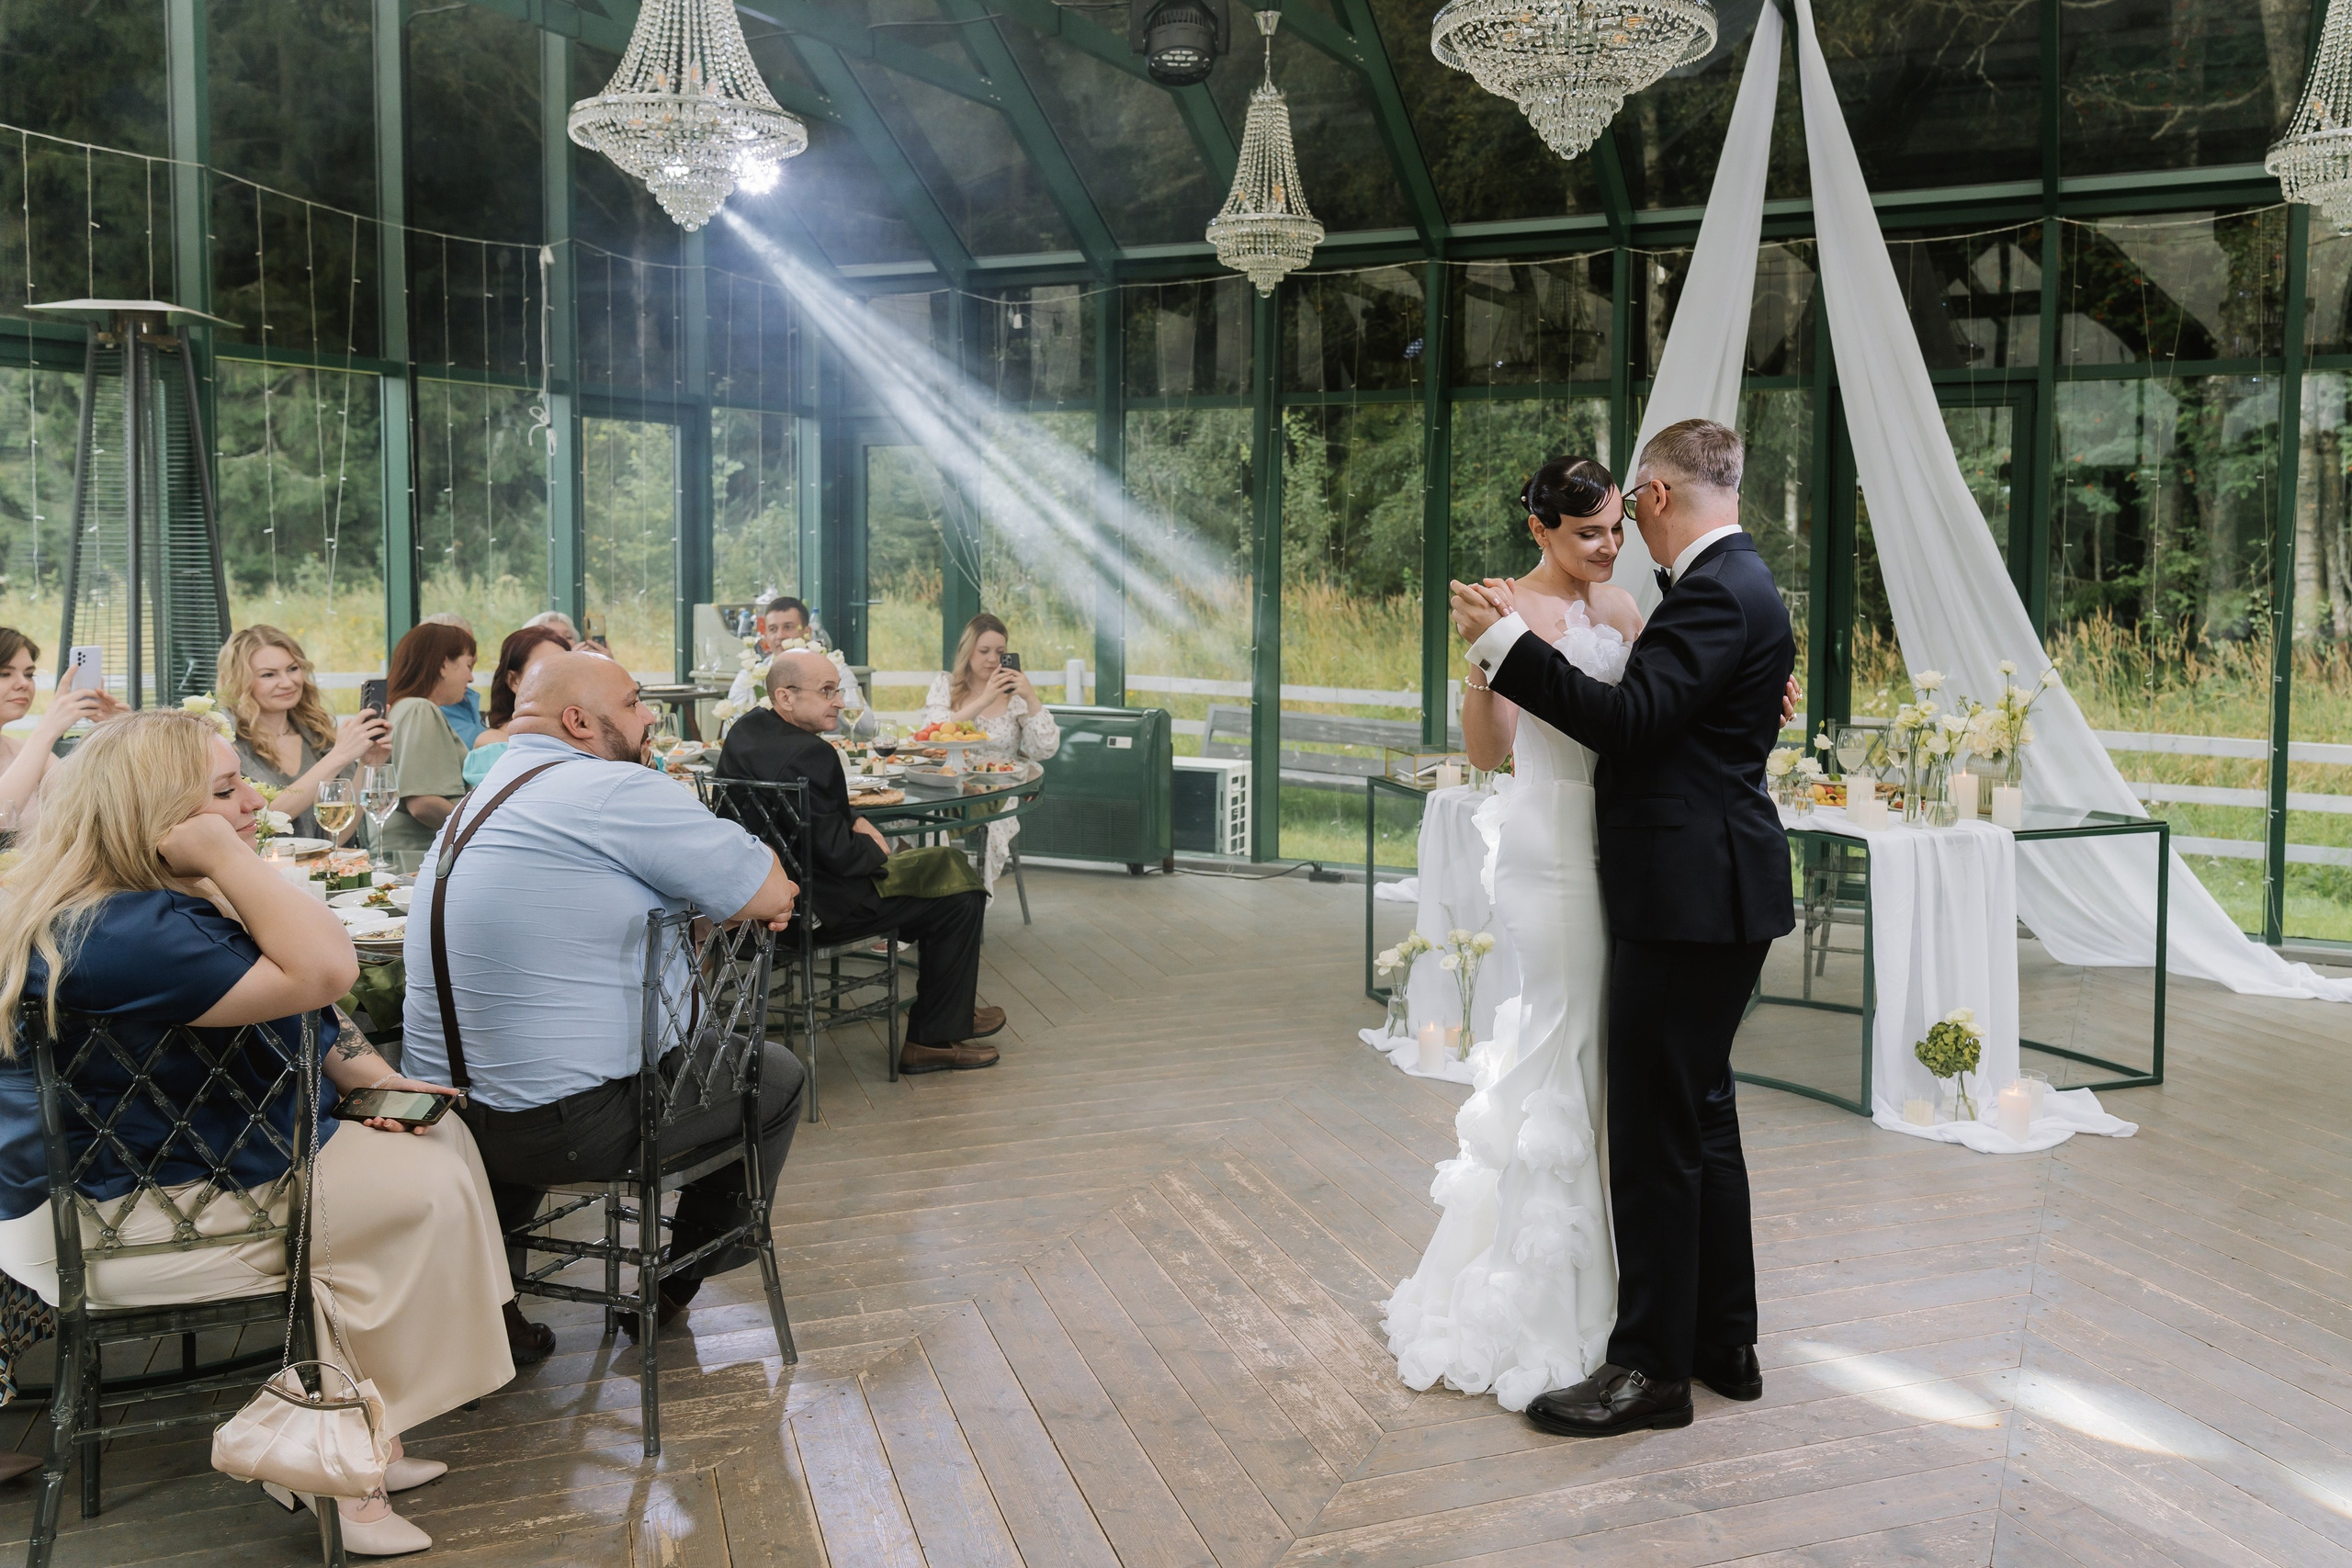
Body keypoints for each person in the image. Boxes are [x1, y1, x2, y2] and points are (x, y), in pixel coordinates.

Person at [0, 710, 514, 1554]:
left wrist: (371, 1077)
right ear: (160, 820)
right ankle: (334, 1466)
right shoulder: (124, 931)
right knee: (414, 1193)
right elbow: (326, 968)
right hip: (122, 1219)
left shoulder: (144, 904)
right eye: (226, 790)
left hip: (180, 1170)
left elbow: (305, 1001)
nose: (253, 802)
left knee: (437, 1143)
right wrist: (229, 856)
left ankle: (362, 1432)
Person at [1451, 418, 1796, 1438]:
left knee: (1653, 1134)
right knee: (1703, 1115)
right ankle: (1723, 1342)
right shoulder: (1738, 584)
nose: (1618, 539)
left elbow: (1632, 722)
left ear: (1654, 496)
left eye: (1625, 515)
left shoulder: (1710, 592)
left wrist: (1501, 646)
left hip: (1684, 897)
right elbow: (1687, 716)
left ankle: (1650, 1371)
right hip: (1707, 887)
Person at [399, 652, 803, 1350]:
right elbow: (769, 891)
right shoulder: (610, 788)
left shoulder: (482, 796)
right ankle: (672, 1284)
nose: (650, 718)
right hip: (567, 1128)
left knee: (521, 1065)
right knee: (777, 1076)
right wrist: (739, 882)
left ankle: (491, 1312)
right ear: (579, 721)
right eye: (635, 702)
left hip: (448, 1117)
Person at [1385, 457, 1637, 1413]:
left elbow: (1652, 720)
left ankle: (1617, 1284)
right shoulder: (1505, 608)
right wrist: (1481, 655)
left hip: (1622, 844)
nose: (1607, 547)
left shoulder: (1622, 610)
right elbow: (1488, 752)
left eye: (1614, 527)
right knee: (1560, 1038)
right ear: (1539, 530)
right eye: (1587, 533)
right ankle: (1541, 1301)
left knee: (1599, 1051)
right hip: (1547, 844)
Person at [719, 649, 1003, 1075]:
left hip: (750, 905)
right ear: (785, 696)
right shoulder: (813, 753)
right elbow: (841, 856)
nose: (839, 701)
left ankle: (951, 1010)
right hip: (810, 911)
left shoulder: (746, 731)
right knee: (959, 898)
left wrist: (853, 817)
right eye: (827, 691)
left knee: (941, 872)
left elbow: (803, 812)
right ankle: (931, 1039)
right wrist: (876, 846)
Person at [922, 614, 1059, 896]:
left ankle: (970, 899)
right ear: (968, 651)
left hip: (998, 788)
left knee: (992, 826)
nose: (993, 659)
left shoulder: (1015, 697)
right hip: (948, 784)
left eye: (1000, 652)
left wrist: (1031, 697)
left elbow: (1044, 749)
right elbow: (933, 733)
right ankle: (932, 892)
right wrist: (985, 699)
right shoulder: (946, 685)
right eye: (984, 651)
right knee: (917, 818)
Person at [219, 626, 391, 840]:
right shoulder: (227, 744)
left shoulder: (319, 737)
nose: (287, 682)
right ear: (237, 682)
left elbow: (336, 837)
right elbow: (264, 819)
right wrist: (339, 756)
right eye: (268, 675)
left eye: (292, 669)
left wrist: (366, 764)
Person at [0, 627, 125, 828]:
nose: (23, 683)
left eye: (29, 674)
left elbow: (92, 814)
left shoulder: (33, 755)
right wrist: (47, 730)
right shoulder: (37, 748)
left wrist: (119, 733)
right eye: (5, 674)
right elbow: (2, 818)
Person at [380, 621, 477, 858]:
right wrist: (481, 829)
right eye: (468, 665)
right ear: (443, 665)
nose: (471, 678)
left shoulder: (402, 708)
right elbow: (422, 804)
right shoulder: (420, 709)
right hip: (417, 859)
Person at [726, 596, 868, 735]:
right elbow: (730, 730)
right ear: (766, 635)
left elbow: (867, 725)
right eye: (773, 629)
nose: (780, 636)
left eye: (788, 627)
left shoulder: (834, 670)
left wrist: (829, 693)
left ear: (807, 632)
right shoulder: (749, 675)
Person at [462, 626, 571, 787]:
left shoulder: (585, 736)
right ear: (514, 680)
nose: (562, 680)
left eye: (569, 671)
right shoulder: (494, 744)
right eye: (547, 670)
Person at [422, 613, 484, 746]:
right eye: (466, 649)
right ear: (443, 663)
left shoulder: (467, 698)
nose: (474, 655)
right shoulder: (422, 712)